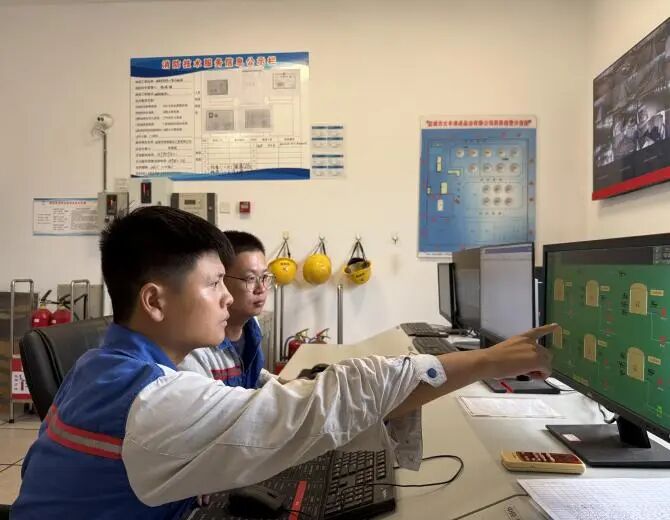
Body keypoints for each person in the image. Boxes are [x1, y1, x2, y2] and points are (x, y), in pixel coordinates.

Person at [12, 206, 554, 519]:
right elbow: (317, 407)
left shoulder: (102, 365)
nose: (228, 297)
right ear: (154, 301)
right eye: (214, 284)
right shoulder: (153, 402)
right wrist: (486, 362)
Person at [178, 231, 276, 388]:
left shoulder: (252, 325)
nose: (261, 288)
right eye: (251, 278)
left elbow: (250, 374)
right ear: (220, 279)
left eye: (264, 277)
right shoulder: (196, 347)